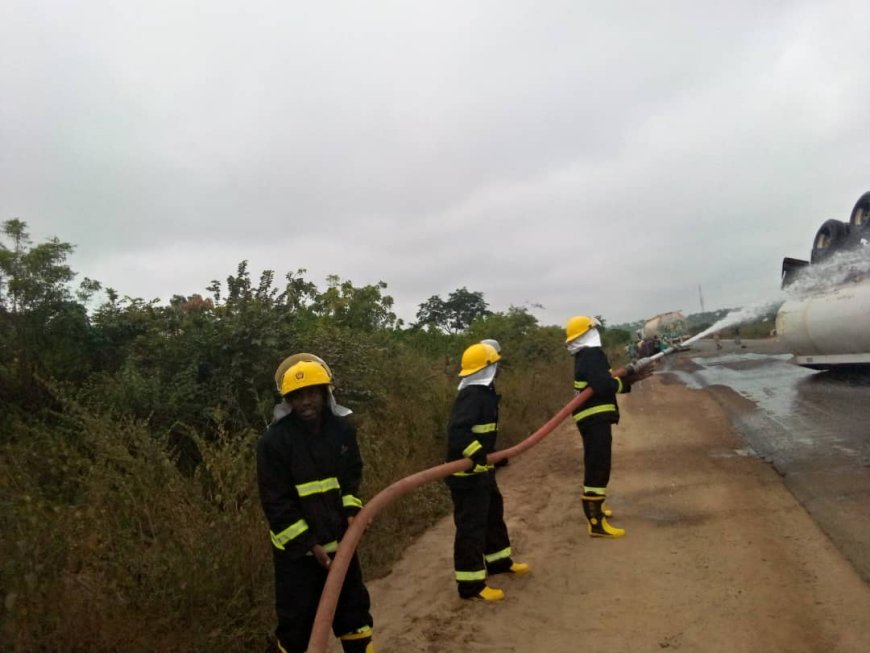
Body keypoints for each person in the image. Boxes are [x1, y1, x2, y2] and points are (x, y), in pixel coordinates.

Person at [256, 355, 375, 653]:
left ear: (325, 393)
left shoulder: (343, 431)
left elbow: (351, 477)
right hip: (297, 555)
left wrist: (352, 511)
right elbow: (276, 502)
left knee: (354, 613)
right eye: (297, 396)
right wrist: (309, 545)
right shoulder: (273, 443)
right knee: (298, 624)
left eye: (312, 393)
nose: (306, 401)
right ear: (288, 400)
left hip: (341, 542)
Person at [445, 342, 530, 601]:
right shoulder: (473, 395)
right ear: (487, 367)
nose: (499, 368)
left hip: (482, 470)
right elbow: (458, 433)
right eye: (495, 364)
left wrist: (491, 457)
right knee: (472, 526)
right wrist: (478, 454)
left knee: (493, 511)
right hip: (466, 476)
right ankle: (470, 584)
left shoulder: (485, 392)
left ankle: (499, 561)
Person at [565, 315, 653, 538]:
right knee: (598, 466)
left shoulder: (583, 356)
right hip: (595, 419)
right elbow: (603, 385)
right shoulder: (592, 354)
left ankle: (598, 509)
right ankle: (595, 523)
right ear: (587, 333)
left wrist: (629, 380)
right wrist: (628, 380)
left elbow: (601, 383)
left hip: (591, 418)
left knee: (596, 463)